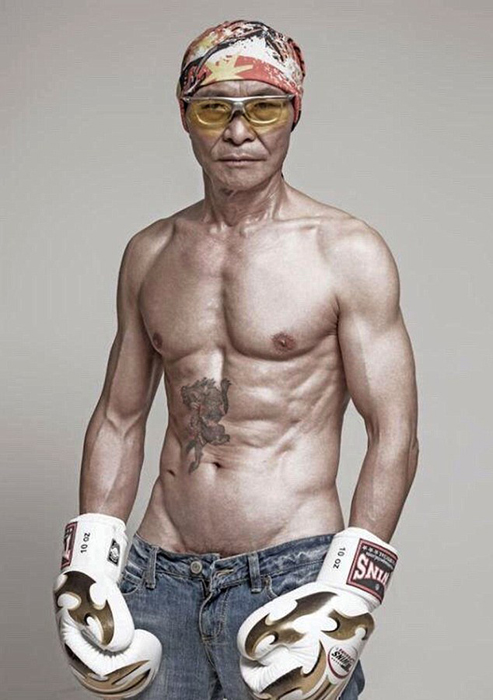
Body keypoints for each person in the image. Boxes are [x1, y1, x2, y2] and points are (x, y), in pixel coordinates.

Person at [53, 19, 419, 700]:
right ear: (185, 118)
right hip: (156, 576)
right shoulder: (150, 253)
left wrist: (348, 594)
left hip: (290, 580)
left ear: (293, 114)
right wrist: (88, 570)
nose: (238, 132)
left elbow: (392, 432)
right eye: (214, 109)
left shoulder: (345, 252)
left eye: (264, 108)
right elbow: (119, 418)